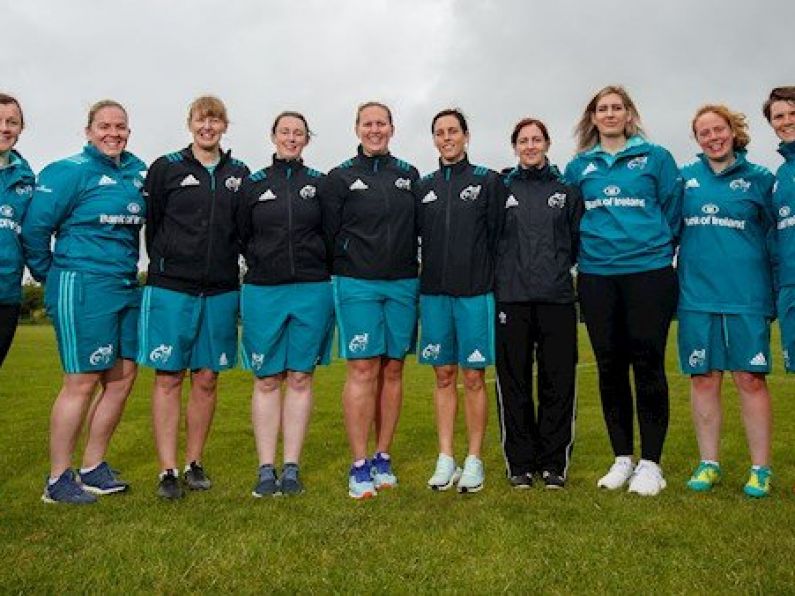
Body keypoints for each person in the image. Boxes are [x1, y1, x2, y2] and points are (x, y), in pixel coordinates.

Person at [22, 100, 146, 504]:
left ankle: (93, 467)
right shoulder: (68, 171)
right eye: (105, 126)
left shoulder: (136, 171)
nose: (114, 133)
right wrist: (54, 276)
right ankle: (58, 479)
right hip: (83, 285)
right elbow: (36, 231)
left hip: (126, 285)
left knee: (124, 377)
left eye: (121, 126)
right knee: (81, 381)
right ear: (89, 130)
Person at [564, 85, 682, 496]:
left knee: (648, 364)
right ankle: (622, 458)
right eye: (603, 109)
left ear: (629, 115)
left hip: (648, 273)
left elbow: (672, 210)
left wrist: (652, 247)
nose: (610, 114)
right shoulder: (579, 167)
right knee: (609, 366)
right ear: (593, 118)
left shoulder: (656, 157)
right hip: (597, 276)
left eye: (617, 108)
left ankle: (651, 464)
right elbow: (570, 218)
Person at [138, 96, 249, 499]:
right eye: (202, 120)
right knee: (168, 377)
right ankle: (167, 469)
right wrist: (168, 262)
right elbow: (153, 227)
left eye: (216, 120)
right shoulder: (166, 167)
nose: (209, 127)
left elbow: (242, 231)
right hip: (172, 287)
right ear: (190, 124)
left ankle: (194, 462)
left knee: (206, 377)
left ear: (225, 126)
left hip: (220, 289)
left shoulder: (239, 173)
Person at [679, 104, 776, 498]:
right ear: (698, 140)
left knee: (749, 379)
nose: (713, 137)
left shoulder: (761, 180)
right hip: (696, 297)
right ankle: (709, 463)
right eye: (704, 133)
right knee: (703, 379)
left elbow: (775, 237)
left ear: (733, 132)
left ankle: (761, 468)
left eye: (718, 129)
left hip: (747, 297)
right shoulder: (685, 180)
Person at [324, 101, 420, 499]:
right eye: (368, 124)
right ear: (357, 129)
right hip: (357, 284)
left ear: (392, 129)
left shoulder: (409, 175)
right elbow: (330, 233)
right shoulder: (340, 177)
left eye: (381, 123)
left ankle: (383, 456)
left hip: (402, 284)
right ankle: (359, 463)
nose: (375, 130)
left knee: (393, 370)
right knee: (363, 369)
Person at [237, 111, 334, 497]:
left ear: (306, 139)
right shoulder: (253, 184)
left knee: (299, 377)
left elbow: (330, 233)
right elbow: (242, 236)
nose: (291, 138)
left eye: (298, 133)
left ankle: (291, 467)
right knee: (266, 378)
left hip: (312, 289)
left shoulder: (320, 184)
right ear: (273, 136)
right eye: (285, 132)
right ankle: (266, 468)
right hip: (264, 289)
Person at [415, 109, 501, 493]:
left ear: (466, 136)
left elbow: (500, 239)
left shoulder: (487, 181)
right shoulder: (425, 186)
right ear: (434, 139)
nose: (447, 138)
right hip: (434, 295)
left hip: (475, 294)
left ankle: (475, 460)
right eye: (440, 132)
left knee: (473, 376)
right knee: (443, 375)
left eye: (453, 131)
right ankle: (446, 456)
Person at [495, 118, 583, 490]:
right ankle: (520, 463)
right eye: (523, 140)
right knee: (514, 383)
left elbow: (578, 242)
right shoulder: (500, 188)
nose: (530, 146)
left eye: (536, 139)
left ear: (547, 143)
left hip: (557, 299)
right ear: (515, 146)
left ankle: (552, 464)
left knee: (557, 382)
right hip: (511, 299)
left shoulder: (567, 191)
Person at [0, 93, 35, 367]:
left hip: (6, 295)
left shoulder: (27, 179)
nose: (5, 128)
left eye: (12, 122)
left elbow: (32, 237)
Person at [764, 88, 795, 379]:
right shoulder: (781, 176)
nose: (786, 121)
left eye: (793, 113)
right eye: (779, 116)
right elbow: (775, 239)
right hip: (790, 287)